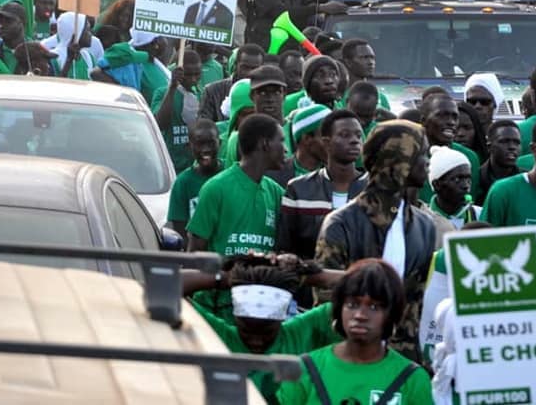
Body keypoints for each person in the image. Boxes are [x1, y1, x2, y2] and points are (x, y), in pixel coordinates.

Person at [315, 121, 437, 362]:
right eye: (421, 154)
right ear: (399, 161)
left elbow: (419, 305)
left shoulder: (425, 226)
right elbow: (326, 306)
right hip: (351, 360)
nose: (427, 162)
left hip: (403, 365)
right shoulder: (341, 224)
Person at [276, 259, 432, 404]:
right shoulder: (304, 369)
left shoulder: (412, 379)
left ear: (391, 314)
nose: (360, 315)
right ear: (338, 309)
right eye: (352, 305)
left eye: (374, 307)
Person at [185, 259, 340, 404]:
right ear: (235, 318)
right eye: (246, 330)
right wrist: (226, 278)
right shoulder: (218, 335)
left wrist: (304, 275)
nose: (256, 341)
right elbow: (163, 285)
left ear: (281, 319)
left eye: (267, 332)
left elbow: (361, 285)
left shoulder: (302, 333)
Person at [187, 113, 287, 257]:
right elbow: (195, 254)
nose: (286, 149)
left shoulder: (276, 193)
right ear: (264, 144)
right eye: (281, 141)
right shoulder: (215, 189)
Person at [278, 109, 368, 260]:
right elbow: (285, 249)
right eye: (345, 135)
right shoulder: (298, 189)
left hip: (363, 281)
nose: (355, 140)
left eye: (358, 135)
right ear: (326, 142)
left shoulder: (374, 187)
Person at [417, 94, 480, 203]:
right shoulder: (411, 156)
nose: (451, 122)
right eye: (442, 116)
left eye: (455, 117)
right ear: (423, 121)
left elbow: (469, 202)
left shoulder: (469, 157)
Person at [167, 118, 223, 239]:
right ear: (189, 146)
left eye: (211, 143)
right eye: (200, 144)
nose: (206, 149)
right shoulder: (183, 183)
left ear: (220, 143)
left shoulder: (231, 173)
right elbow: (181, 233)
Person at [152, 50, 203, 172]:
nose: (193, 79)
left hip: (194, 167)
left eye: (197, 74)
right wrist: (172, 88)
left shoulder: (203, 95)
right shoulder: (162, 93)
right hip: (171, 166)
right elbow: (159, 124)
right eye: (188, 75)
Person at [199, 44, 264, 122]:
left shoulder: (268, 95)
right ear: (236, 65)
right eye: (245, 67)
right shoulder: (212, 91)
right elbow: (203, 127)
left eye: (255, 68)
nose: (249, 73)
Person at [426, 145, 479, 230]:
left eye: (468, 178)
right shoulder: (423, 221)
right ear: (437, 185)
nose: (466, 185)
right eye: (457, 179)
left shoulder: (479, 215)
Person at [477, 119, 522, 203]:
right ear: (489, 147)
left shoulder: (526, 181)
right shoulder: (476, 180)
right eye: (504, 141)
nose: (512, 147)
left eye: (517, 142)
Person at [52, 12, 97, 80]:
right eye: (88, 30)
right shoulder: (54, 58)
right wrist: (69, 60)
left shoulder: (89, 58)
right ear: (76, 33)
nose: (91, 33)